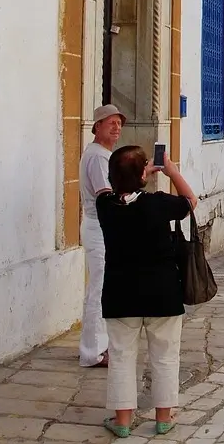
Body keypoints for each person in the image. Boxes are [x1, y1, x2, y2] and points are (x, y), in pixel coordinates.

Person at [97, 145, 198, 438]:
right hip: (162, 293)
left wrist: (137, 174)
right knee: (165, 356)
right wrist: (171, 172)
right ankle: (164, 417)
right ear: (143, 174)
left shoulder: (104, 206)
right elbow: (190, 201)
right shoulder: (158, 204)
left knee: (122, 357)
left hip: (120, 294)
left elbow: (114, 191)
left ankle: (123, 422)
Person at [77, 104, 124, 368]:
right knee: (99, 289)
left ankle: (99, 346)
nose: (116, 128)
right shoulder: (97, 157)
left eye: (119, 124)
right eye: (111, 123)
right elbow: (105, 194)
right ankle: (92, 352)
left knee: (103, 286)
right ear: (97, 127)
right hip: (98, 228)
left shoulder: (103, 155)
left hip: (101, 228)